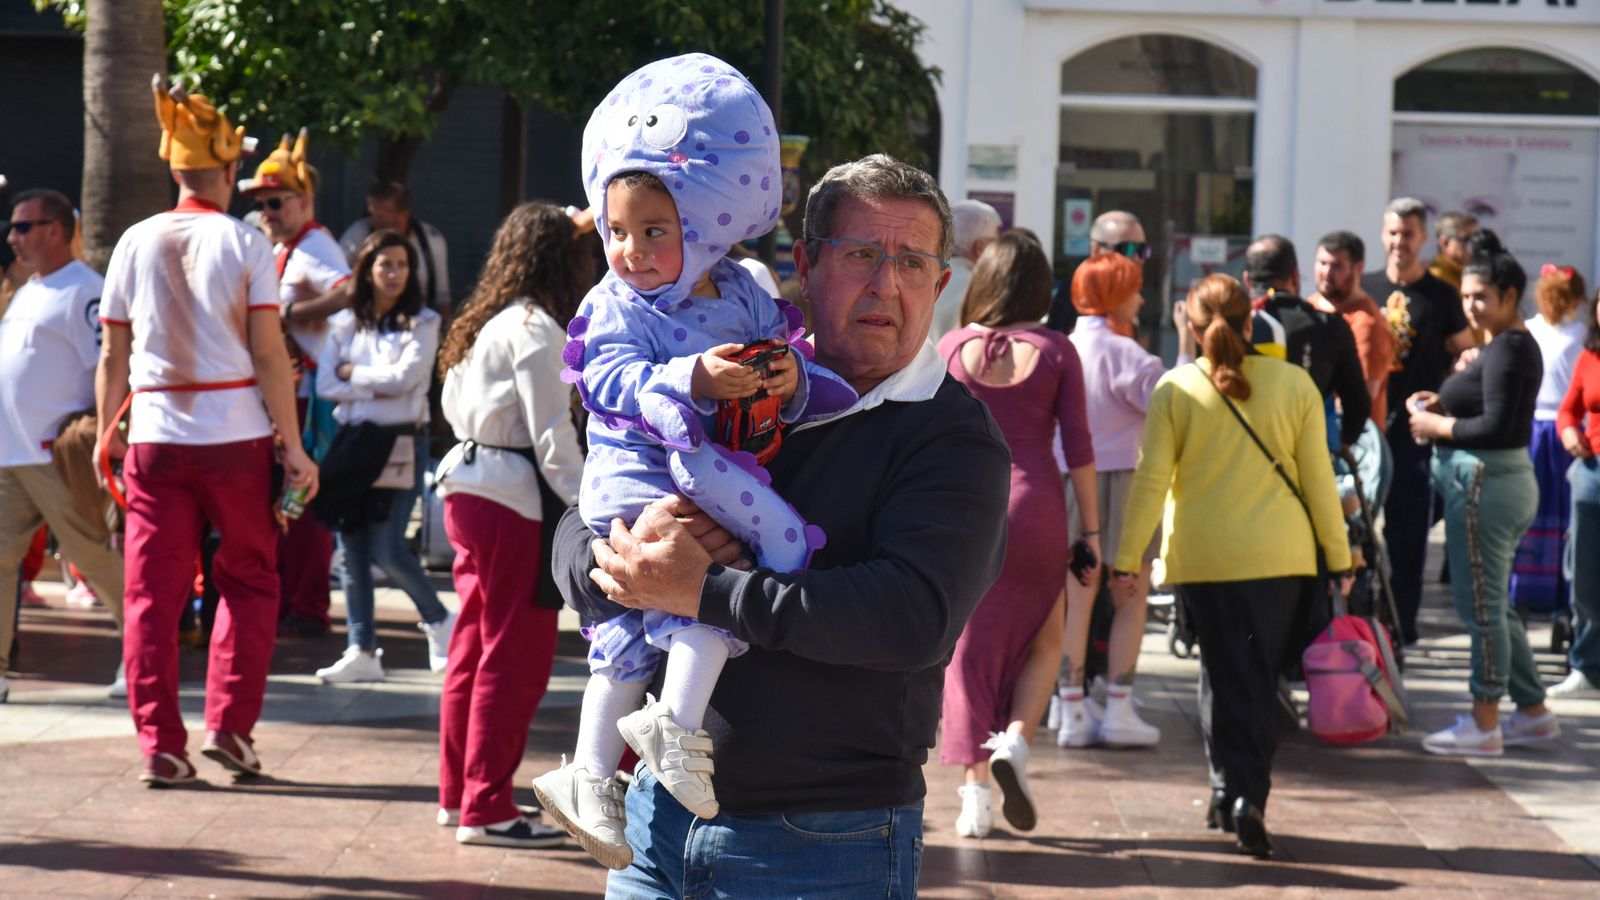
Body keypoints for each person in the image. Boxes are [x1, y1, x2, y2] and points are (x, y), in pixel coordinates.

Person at [548, 151, 1009, 896]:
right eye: (861, 254)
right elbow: (585, 517)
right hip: (655, 826)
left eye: (913, 262)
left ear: (942, 283)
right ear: (806, 264)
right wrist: (614, 560)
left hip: (824, 840)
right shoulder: (739, 376)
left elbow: (910, 617)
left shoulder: (953, 436)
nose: (885, 283)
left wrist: (705, 590)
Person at [531, 54, 859, 870]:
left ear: (704, 226)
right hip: (644, 478)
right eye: (617, 233)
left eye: (655, 232)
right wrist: (689, 378)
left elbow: (778, 359)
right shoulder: (609, 304)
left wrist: (786, 377)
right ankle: (669, 731)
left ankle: (591, 774)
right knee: (766, 556)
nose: (633, 251)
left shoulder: (745, 290)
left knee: (642, 636)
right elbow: (607, 379)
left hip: (702, 473)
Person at [96, 76, 318, 785]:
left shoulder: (134, 240)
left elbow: (112, 356)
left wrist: (109, 439)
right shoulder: (244, 244)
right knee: (250, 582)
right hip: (235, 439)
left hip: (155, 437)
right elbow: (268, 353)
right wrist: (294, 444)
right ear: (226, 170)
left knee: (149, 596)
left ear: (173, 165)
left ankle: (160, 743)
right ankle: (230, 726)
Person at [1113, 273, 1350, 859]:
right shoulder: (1295, 385)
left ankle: (1226, 788)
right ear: (1252, 323)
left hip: (1203, 561)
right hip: (1282, 561)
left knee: (1221, 676)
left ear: (1189, 328)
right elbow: (1320, 482)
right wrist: (1343, 558)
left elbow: (1150, 483)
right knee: (1260, 680)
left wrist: (1127, 560)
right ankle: (1249, 796)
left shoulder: (1175, 389)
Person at [431, 202, 587, 848]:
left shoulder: (487, 322)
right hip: (512, 497)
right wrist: (593, 510)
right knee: (514, 653)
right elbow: (554, 439)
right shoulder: (534, 329)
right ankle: (487, 806)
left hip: (468, 487)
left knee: (473, 646)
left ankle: (461, 795)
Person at [934, 232, 1093, 839]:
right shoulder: (1056, 350)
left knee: (967, 651)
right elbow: (1077, 446)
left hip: (968, 509)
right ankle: (1017, 742)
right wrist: (1095, 531)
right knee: (1044, 640)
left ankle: (973, 796)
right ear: (1037, 288)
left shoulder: (950, 347)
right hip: (1038, 507)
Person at [1408, 231, 1560, 757]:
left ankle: (1484, 721)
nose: (1471, 305)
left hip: (1487, 485)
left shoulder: (1510, 347)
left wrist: (1434, 425)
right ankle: (1534, 712)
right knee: (1496, 607)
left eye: (1481, 297)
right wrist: (1444, 406)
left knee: (1483, 611)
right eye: (1467, 295)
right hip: (1493, 482)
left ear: (1510, 298)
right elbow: (1489, 411)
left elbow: (1497, 426)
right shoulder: (1501, 346)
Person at [309, 230, 451, 681]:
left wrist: (354, 375)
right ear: (367, 270)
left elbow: (408, 379)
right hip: (353, 445)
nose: (393, 273)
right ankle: (361, 649)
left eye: (402, 265)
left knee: (389, 549)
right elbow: (325, 385)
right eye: (384, 264)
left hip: (400, 443)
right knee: (350, 551)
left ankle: (440, 621)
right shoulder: (346, 322)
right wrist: (371, 380)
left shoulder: (423, 321)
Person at [0, 188, 125, 701]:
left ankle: (142, 657)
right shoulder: (28, 289)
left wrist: (104, 435)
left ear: (55, 229)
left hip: (57, 457)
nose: (12, 238)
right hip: (11, 456)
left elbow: (109, 367)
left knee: (94, 560)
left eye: (22, 228)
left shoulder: (86, 292)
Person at [240, 129, 348, 639]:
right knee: (287, 502)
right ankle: (292, 602)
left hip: (309, 400)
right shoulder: (286, 246)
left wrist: (285, 316)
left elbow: (347, 293)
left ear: (304, 201)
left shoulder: (317, 244)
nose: (267, 212)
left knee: (301, 503)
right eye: (261, 204)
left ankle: (307, 607)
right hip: (290, 395)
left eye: (276, 201)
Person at [1058, 251, 1166, 749]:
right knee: (1130, 596)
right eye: (1135, 289)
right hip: (1123, 484)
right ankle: (1119, 706)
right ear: (1117, 296)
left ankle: (1070, 708)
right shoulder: (1133, 357)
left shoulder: (1062, 348)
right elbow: (1171, 409)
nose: (1141, 297)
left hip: (1067, 482)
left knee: (1074, 600)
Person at [1362, 198, 1474, 644]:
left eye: (1407, 234)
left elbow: (1464, 356)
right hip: (1366, 431)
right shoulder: (1365, 287)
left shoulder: (1442, 296)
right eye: (1392, 233)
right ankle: (1361, 618)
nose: (1398, 242)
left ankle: (1400, 625)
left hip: (1414, 432)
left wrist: (1447, 400)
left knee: (1408, 536)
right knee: (1356, 535)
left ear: (1424, 238)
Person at [1243, 235, 1371, 450]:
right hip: (1304, 452)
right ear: (1294, 276)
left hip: (1240, 453)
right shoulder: (1329, 326)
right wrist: (1340, 446)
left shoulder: (1229, 326)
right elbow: (1357, 403)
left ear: (1247, 280)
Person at [1511, 265, 1588, 613]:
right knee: (1528, 511)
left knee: (1563, 514)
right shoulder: (1528, 331)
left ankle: (1562, 595)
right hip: (1533, 429)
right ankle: (1524, 592)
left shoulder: (1581, 336)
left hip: (1565, 436)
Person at [1552, 288, 1600, 699]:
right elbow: (1568, 408)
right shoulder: (1589, 356)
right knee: (1583, 576)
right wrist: (1568, 430)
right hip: (1591, 473)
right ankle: (1586, 666)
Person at [1310, 231, 1395, 427]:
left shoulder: (1368, 324)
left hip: (1351, 443)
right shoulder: (1313, 304)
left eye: (1337, 266)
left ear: (1358, 268)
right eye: (1322, 263)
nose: (1327, 272)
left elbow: (1359, 397)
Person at [339, 181, 451, 314]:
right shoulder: (358, 234)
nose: (374, 221)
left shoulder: (432, 241)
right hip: (368, 317)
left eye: (381, 216)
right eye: (385, 264)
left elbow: (441, 297)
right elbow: (338, 280)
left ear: (403, 216)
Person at [1046, 210, 1150, 334]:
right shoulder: (1074, 295)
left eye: (1142, 250)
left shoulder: (1132, 294)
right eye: (1127, 248)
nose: (1137, 258)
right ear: (1096, 249)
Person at [930, 198, 1000, 343]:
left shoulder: (924, 280)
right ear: (979, 248)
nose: (998, 250)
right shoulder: (982, 290)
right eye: (995, 242)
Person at [1427, 211, 1478, 295]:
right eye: (1467, 239)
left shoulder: (1471, 271)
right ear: (1445, 243)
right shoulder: (1435, 277)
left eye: (1476, 238)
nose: (1474, 244)